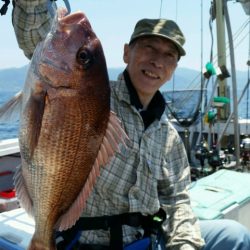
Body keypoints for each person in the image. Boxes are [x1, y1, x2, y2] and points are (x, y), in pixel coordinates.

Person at [11, 1, 250, 249]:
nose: (158, 61)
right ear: (126, 53)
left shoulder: (168, 136)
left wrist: (185, 244)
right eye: (149, 48)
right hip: (88, 242)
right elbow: (36, 36)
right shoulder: (93, 96)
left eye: (169, 55)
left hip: (146, 241)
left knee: (233, 236)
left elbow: (177, 200)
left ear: (173, 69)